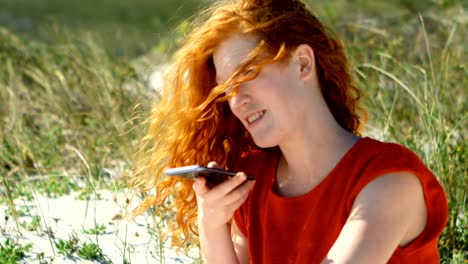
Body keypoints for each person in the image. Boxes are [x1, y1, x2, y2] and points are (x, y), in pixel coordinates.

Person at [130, 0, 448, 263]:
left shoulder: (389, 181)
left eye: (248, 74)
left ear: (303, 64)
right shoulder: (252, 179)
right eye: (226, 90)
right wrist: (211, 224)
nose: (237, 101)